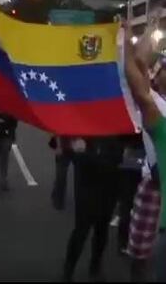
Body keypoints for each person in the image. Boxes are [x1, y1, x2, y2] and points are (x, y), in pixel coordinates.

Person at [123, 18, 165, 283]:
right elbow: (136, 72)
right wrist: (131, 41)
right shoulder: (156, 104)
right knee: (140, 253)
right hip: (154, 185)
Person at [62, 136, 124, 282]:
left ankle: (95, 267)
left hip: (108, 193)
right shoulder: (83, 135)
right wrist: (74, 151)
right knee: (80, 233)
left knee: (101, 232)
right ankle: (68, 270)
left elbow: (113, 163)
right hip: (86, 195)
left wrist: (83, 154)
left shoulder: (114, 138)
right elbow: (71, 157)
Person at [49, 136, 75, 210]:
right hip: (65, 145)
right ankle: (58, 199)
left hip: (77, 145)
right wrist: (58, 145)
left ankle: (57, 197)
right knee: (61, 175)